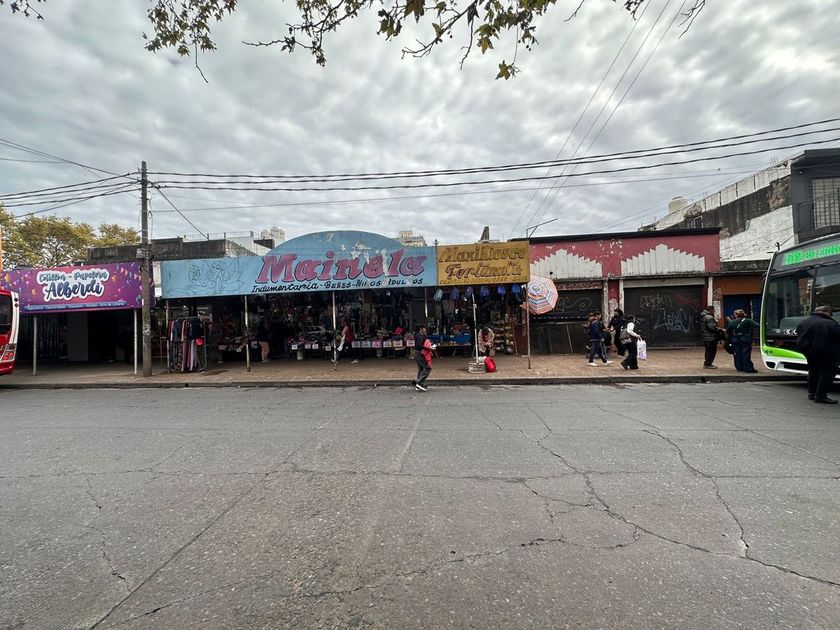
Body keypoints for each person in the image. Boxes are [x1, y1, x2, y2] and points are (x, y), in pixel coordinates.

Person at [795, 305, 840, 404]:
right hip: (827, 352)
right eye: (830, 313)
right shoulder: (831, 323)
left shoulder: (804, 322)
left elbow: (799, 334)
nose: (831, 315)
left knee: (813, 371)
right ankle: (820, 396)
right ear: (826, 312)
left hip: (808, 351)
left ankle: (812, 393)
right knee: (827, 373)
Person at [412, 324, 436, 392]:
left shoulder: (418, 335)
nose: (425, 329)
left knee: (421, 369)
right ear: (421, 329)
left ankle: (420, 385)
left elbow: (424, 340)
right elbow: (419, 345)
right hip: (419, 353)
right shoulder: (419, 336)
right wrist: (429, 348)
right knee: (427, 368)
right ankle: (419, 383)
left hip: (417, 353)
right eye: (424, 328)